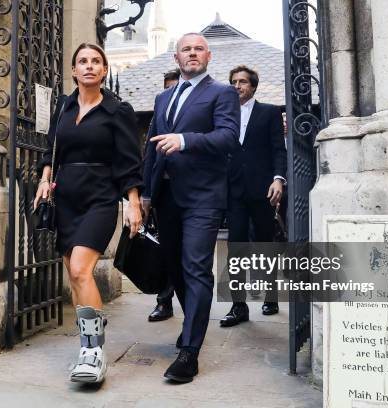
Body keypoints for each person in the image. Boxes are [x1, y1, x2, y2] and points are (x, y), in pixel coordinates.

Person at [34, 43, 143, 384]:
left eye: (96, 61)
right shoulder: (64, 107)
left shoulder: (117, 110)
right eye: (83, 61)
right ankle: (92, 321)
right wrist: (44, 178)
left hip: (100, 198)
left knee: (82, 269)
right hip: (66, 198)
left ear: (105, 69)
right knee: (74, 273)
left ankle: (92, 351)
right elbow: (53, 147)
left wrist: (133, 202)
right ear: (73, 71)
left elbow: (128, 159)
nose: (90, 66)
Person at [142, 33, 240, 383]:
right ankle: (191, 324)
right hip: (165, 198)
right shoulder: (162, 96)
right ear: (177, 56)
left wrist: (185, 140)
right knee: (176, 269)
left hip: (203, 197)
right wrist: (145, 194)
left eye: (199, 49)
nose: (193, 53)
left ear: (209, 56)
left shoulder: (222, 93)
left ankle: (190, 352)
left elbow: (229, 137)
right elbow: (152, 147)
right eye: (187, 49)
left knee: (196, 268)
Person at [220, 65, 287, 328]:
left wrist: (278, 179)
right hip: (234, 192)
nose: (237, 86)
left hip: (263, 190)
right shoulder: (223, 115)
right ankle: (238, 306)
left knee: (264, 245)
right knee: (235, 248)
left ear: (253, 86)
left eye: (243, 82)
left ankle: (271, 296)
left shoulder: (269, 112)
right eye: (234, 82)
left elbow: (278, 151)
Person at [147, 68, 180, 322]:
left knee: (191, 256)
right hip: (164, 191)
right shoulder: (160, 108)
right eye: (167, 87)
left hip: (194, 193)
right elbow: (149, 153)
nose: (172, 92)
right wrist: (146, 194)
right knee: (165, 248)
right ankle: (164, 301)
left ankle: (193, 309)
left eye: (175, 87)